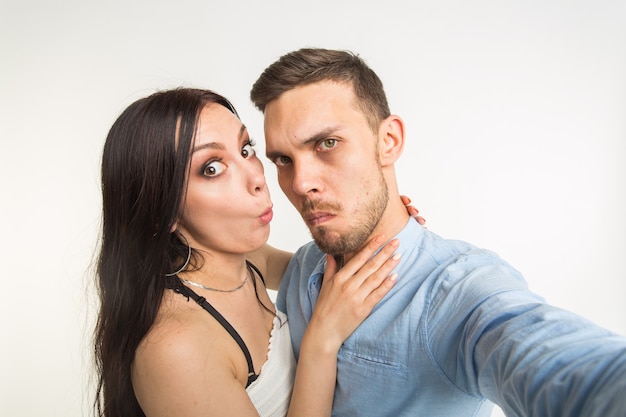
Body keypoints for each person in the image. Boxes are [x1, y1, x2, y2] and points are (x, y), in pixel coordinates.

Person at [250, 48, 626, 417]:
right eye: (283, 159)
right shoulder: (303, 268)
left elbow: (545, 354)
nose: (300, 184)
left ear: (388, 141)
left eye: (327, 143)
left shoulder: (457, 290)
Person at [93, 87, 423, 417]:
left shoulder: (244, 262)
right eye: (211, 168)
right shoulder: (176, 349)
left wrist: (376, 224)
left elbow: (325, 272)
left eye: (246, 149)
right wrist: (323, 340)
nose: (256, 177)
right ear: (163, 211)